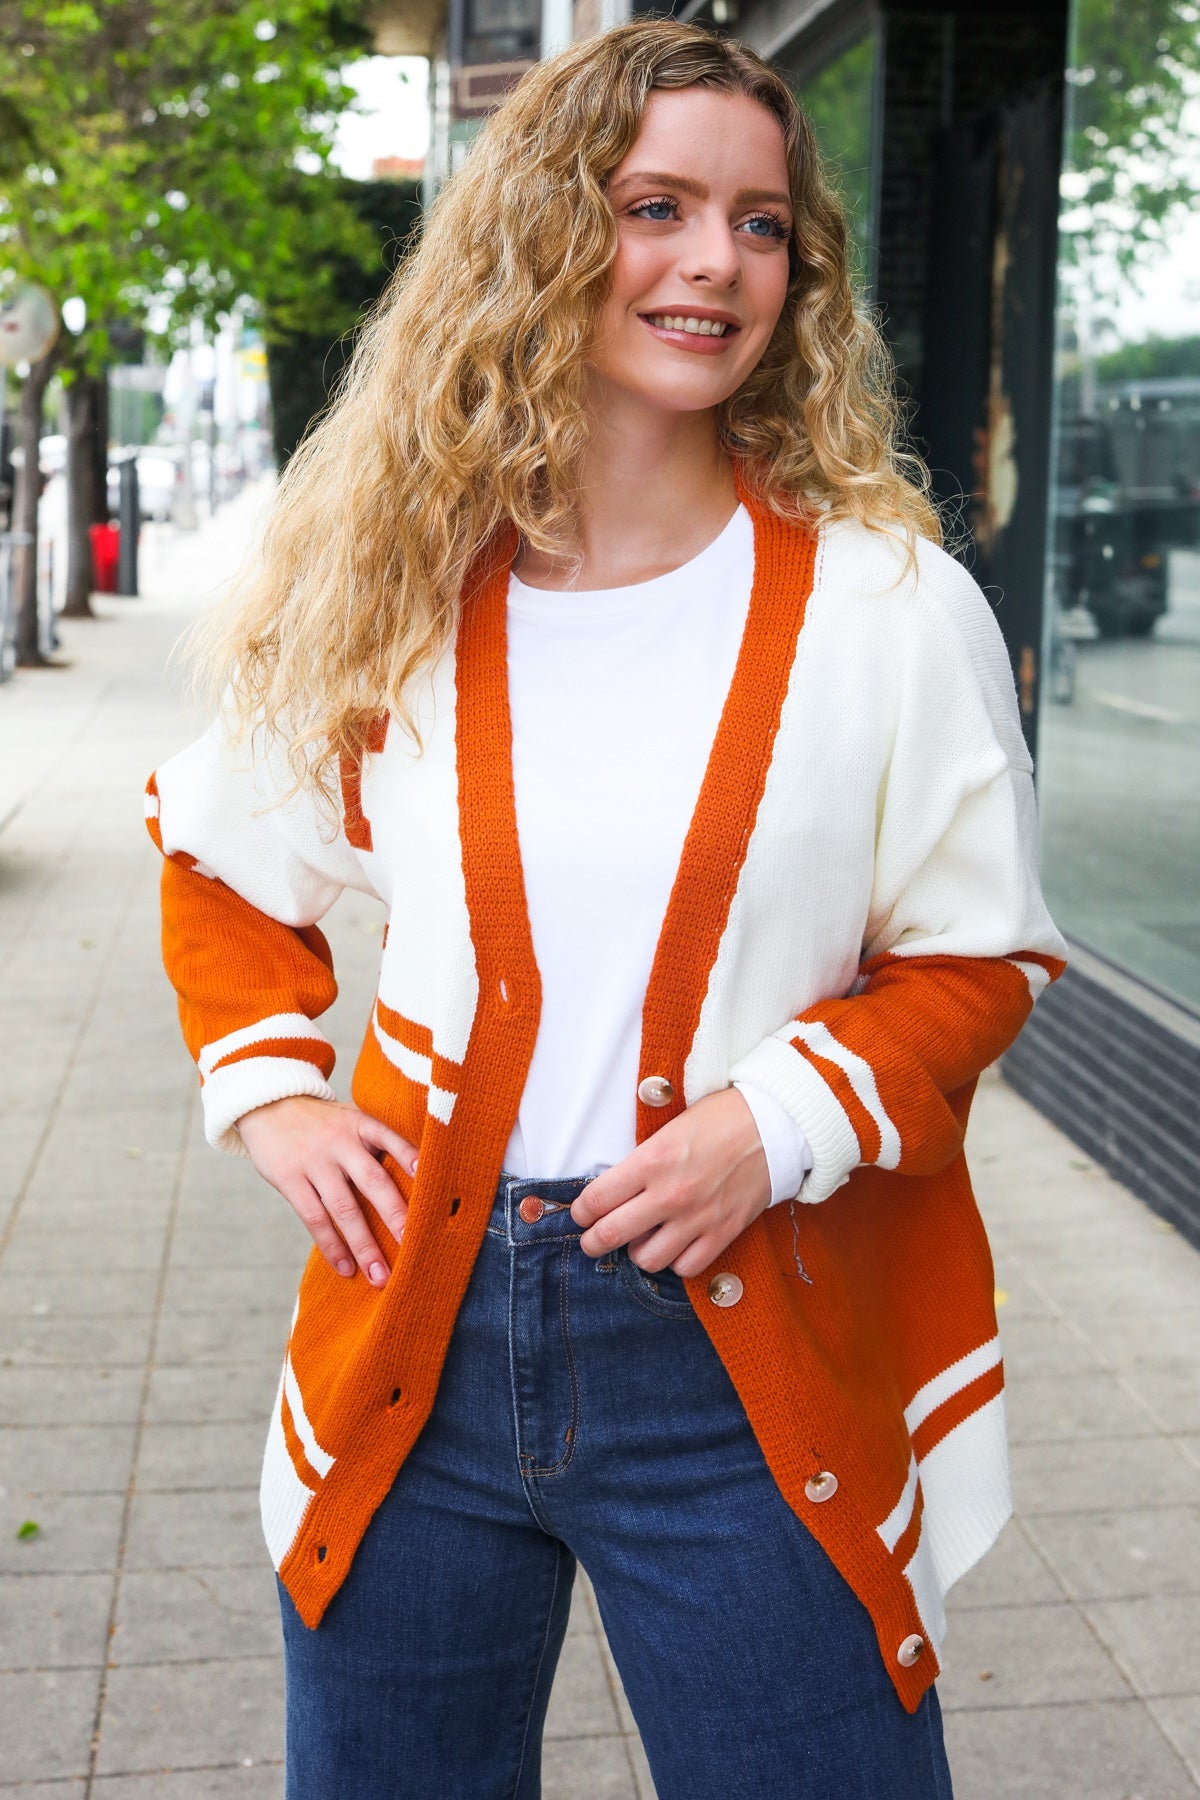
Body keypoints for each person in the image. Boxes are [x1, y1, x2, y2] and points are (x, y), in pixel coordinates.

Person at [145, 19, 1066, 1797]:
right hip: (413, 1316)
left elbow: (979, 958)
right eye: (656, 206)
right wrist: (271, 1089)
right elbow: (215, 847)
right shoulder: (396, 590)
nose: (717, 261)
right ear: (545, 233)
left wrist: (766, 1127)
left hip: (745, 1338)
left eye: (764, 223)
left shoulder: (892, 609)